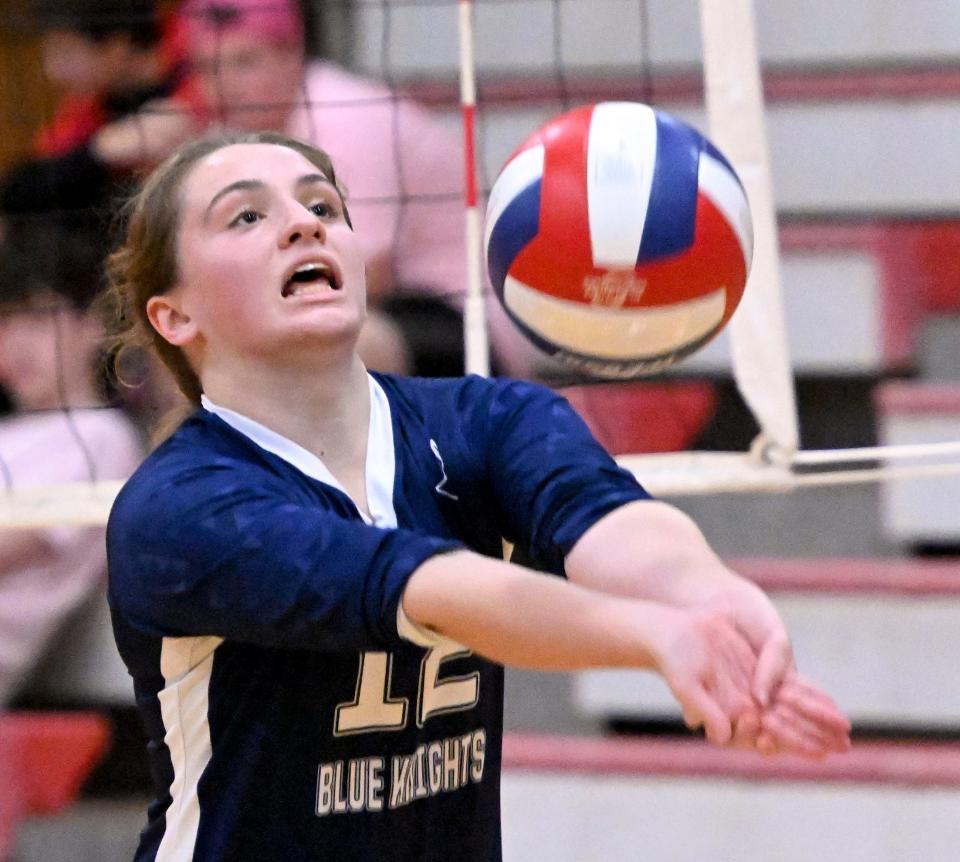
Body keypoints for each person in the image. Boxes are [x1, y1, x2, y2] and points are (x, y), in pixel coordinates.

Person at [104, 131, 849, 862]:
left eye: (324, 208)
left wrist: (708, 595)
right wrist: (655, 635)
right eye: (246, 217)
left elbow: (609, 522)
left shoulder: (490, 420)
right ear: (176, 317)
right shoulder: (179, 510)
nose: (304, 224)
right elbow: (437, 589)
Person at [178, 0, 540, 377]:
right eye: (206, 67)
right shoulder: (233, 136)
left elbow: (363, 274)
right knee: (195, 328)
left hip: (462, 322)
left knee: (314, 340)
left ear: (292, 54)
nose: (222, 84)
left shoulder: (344, 115)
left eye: (244, 62)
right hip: (379, 307)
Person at [0, 219, 143, 705]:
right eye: (3, 322)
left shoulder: (101, 437)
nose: (15, 341)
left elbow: (12, 546)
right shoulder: (10, 432)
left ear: (94, 324)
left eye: (38, 318)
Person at [0, 0, 200, 224]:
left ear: (118, 45)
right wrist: (99, 152)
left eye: (65, 53)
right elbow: (19, 189)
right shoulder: (94, 105)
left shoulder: (199, 76)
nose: (52, 71)